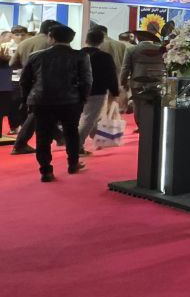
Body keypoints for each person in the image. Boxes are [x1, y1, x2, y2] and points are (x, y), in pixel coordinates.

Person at [20, 24, 91, 182]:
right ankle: (73, 163)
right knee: (71, 132)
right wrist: (82, 98)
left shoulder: (36, 56)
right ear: (70, 39)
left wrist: (26, 99)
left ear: (51, 38)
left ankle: (46, 171)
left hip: (41, 100)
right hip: (70, 101)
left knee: (43, 135)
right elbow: (86, 81)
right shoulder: (80, 56)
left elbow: (25, 81)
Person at [10, 20, 60, 154]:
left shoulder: (25, 43)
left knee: (42, 111)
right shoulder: (52, 43)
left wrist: (26, 67)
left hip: (27, 82)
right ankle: (20, 144)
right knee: (37, 112)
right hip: (46, 83)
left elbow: (12, 63)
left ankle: (60, 137)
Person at [78, 29, 121, 156]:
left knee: (86, 117)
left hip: (76, 90)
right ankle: (77, 146)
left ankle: (93, 135)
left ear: (86, 40)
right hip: (97, 91)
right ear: (101, 41)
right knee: (89, 118)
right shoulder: (105, 57)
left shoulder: (77, 54)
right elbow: (111, 76)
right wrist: (114, 91)